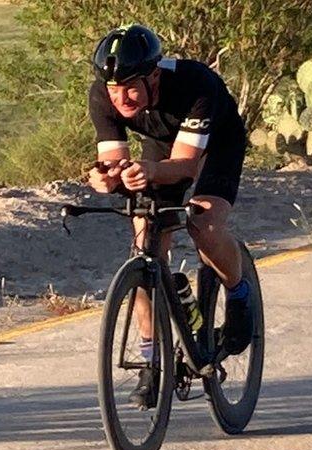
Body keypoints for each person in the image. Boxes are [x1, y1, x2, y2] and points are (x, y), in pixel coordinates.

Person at [85, 24, 252, 409]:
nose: (121, 98)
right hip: (161, 148)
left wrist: (150, 171)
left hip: (217, 141)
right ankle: (151, 361)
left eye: (130, 87)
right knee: (145, 244)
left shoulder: (195, 84)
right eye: (114, 89)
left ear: (154, 76)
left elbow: (187, 168)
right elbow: (113, 162)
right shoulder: (104, 95)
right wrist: (106, 178)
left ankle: (239, 295)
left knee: (203, 225)